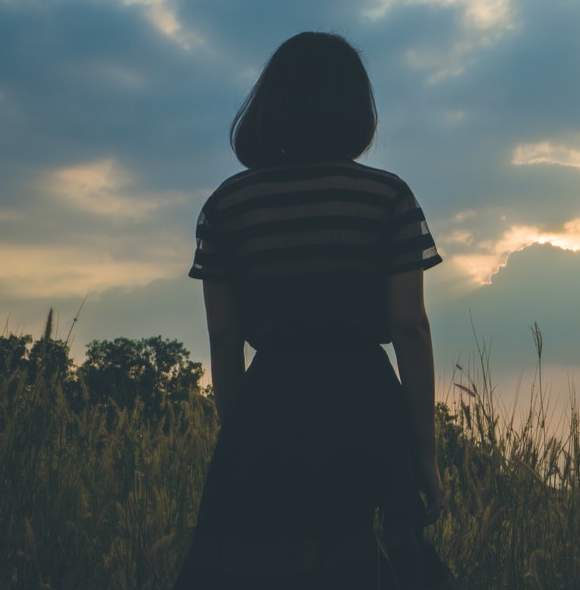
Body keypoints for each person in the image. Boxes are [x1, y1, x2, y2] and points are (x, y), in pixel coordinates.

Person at [174, 32, 455, 589]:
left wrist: (239, 435)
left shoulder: (227, 205)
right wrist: (423, 452)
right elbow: (409, 327)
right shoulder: (387, 197)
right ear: (357, 109)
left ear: (269, 104)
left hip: (268, 405)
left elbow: (224, 337)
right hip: (365, 404)